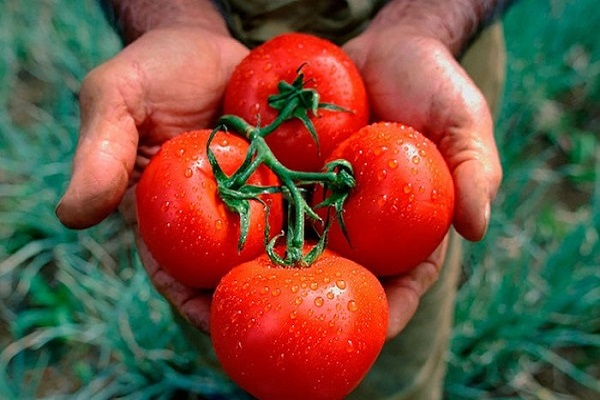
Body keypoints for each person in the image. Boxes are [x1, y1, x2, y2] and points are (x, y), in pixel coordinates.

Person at [56, 0, 511, 398]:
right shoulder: (235, 176)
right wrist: (173, 16)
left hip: (426, 54)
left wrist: (425, 20)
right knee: (215, 341)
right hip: (198, 56)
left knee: (397, 369)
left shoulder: (248, 167)